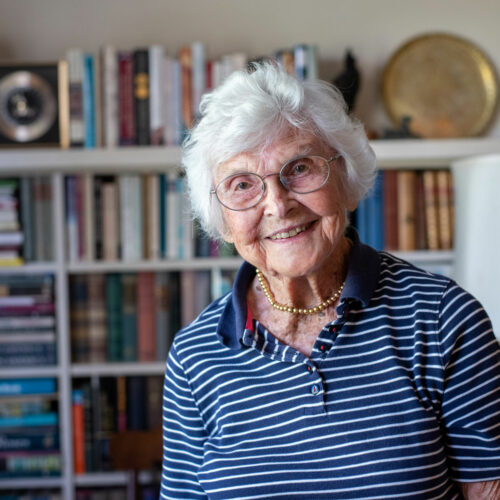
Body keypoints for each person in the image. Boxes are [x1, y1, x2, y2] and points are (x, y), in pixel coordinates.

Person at [160, 62, 500, 500]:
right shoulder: (195, 357)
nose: (278, 206)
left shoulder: (442, 320)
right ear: (222, 221)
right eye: (243, 184)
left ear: (346, 177)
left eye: (299, 168)